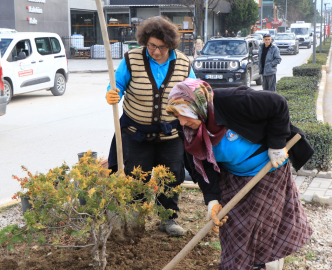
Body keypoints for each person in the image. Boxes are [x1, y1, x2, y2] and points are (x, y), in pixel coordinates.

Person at [166, 78, 313, 270]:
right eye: (178, 116)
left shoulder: (231, 100)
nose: (182, 121)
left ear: (198, 106)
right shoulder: (186, 129)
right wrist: (212, 199)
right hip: (231, 174)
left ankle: (260, 265)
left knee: (262, 226)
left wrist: (276, 145)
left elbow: (278, 103)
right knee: (233, 226)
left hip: (267, 168)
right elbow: (199, 164)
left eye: (184, 115)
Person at [105, 16, 197, 237]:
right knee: (136, 177)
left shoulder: (183, 63)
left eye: (162, 47)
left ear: (171, 45)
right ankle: (135, 218)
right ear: (146, 41)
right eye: (152, 46)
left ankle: (168, 219)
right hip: (135, 133)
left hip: (170, 134)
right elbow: (117, 82)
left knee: (172, 176)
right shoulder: (131, 59)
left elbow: (193, 91)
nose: (156, 51)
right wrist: (113, 91)